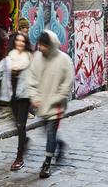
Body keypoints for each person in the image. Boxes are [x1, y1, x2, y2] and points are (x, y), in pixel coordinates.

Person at [0, 32, 33, 171]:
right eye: (18, 41)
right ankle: (24, 140)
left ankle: (19, 157)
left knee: (21, 125)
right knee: (17, 124)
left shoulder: (31, 59)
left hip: (25, 96)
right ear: (14, 42)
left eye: (23, 41)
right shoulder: (8, 59)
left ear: (25, 43)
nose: (20, 43)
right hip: (12, 96)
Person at [27, 30, 74, 178]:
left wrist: (55, 99)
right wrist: (34, 97)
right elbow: (31, 80)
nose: (41, 48)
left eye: (44, 46)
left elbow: (67, 84)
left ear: (51, 45)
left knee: (51, 133)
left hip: (56, 105)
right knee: (46, 132)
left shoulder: (64, 60)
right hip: (41, 104)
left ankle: (46, 163)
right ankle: (59, 144)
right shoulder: (36, 59)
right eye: (40, 45)